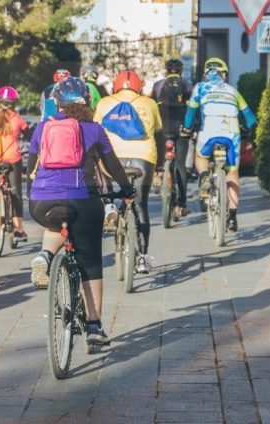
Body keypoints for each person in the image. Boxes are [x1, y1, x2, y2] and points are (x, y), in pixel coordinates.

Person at [28, 76, 135, 346]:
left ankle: (46, 254)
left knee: (56, 224)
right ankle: (94, 326)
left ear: (57, 103)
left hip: (42, 201)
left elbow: (31, 165)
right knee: (90, 260)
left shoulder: (42, 127)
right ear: (87, 101)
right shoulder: (95, 130)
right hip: (83, 198)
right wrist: (126, 189)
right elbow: (112, 165)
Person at [94, 70, 164, 274]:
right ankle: (142, 257)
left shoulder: (105, 103)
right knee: (141, 206)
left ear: (116, 85)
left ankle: (109, 205)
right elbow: (158, 134)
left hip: (112, 160)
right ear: (139, 86)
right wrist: (158, 165)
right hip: (144, 160)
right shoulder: (149, 104)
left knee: (99, 164)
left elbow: (96, 132)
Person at [183, 57, 257, 232]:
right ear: (224, 75)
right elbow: (251, 118)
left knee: (200, 157)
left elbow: (190, 112)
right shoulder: (233, 91)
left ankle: (204, 177)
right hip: (231, 134)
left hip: (208, 132)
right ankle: (232, 216)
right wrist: (248, 129)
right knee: (232, 173)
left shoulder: (200, 88)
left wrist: (186, 129)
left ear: (207, 75)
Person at [0, 86, 29, 241]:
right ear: (14, 103)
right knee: (15, 195)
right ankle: (19, 229)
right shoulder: (17, 118)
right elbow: (29, 135)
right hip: (13, 159)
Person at [151, 58, 193, 219]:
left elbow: (151, 106)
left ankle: (159, 175)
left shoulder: (158, 85)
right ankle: (181, 205)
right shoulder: (187, 85)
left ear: (166, 72)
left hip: (162, 128)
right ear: (181, 72)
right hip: (181, 128)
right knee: (180, 164)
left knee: (161, 158)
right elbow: (193, 107)